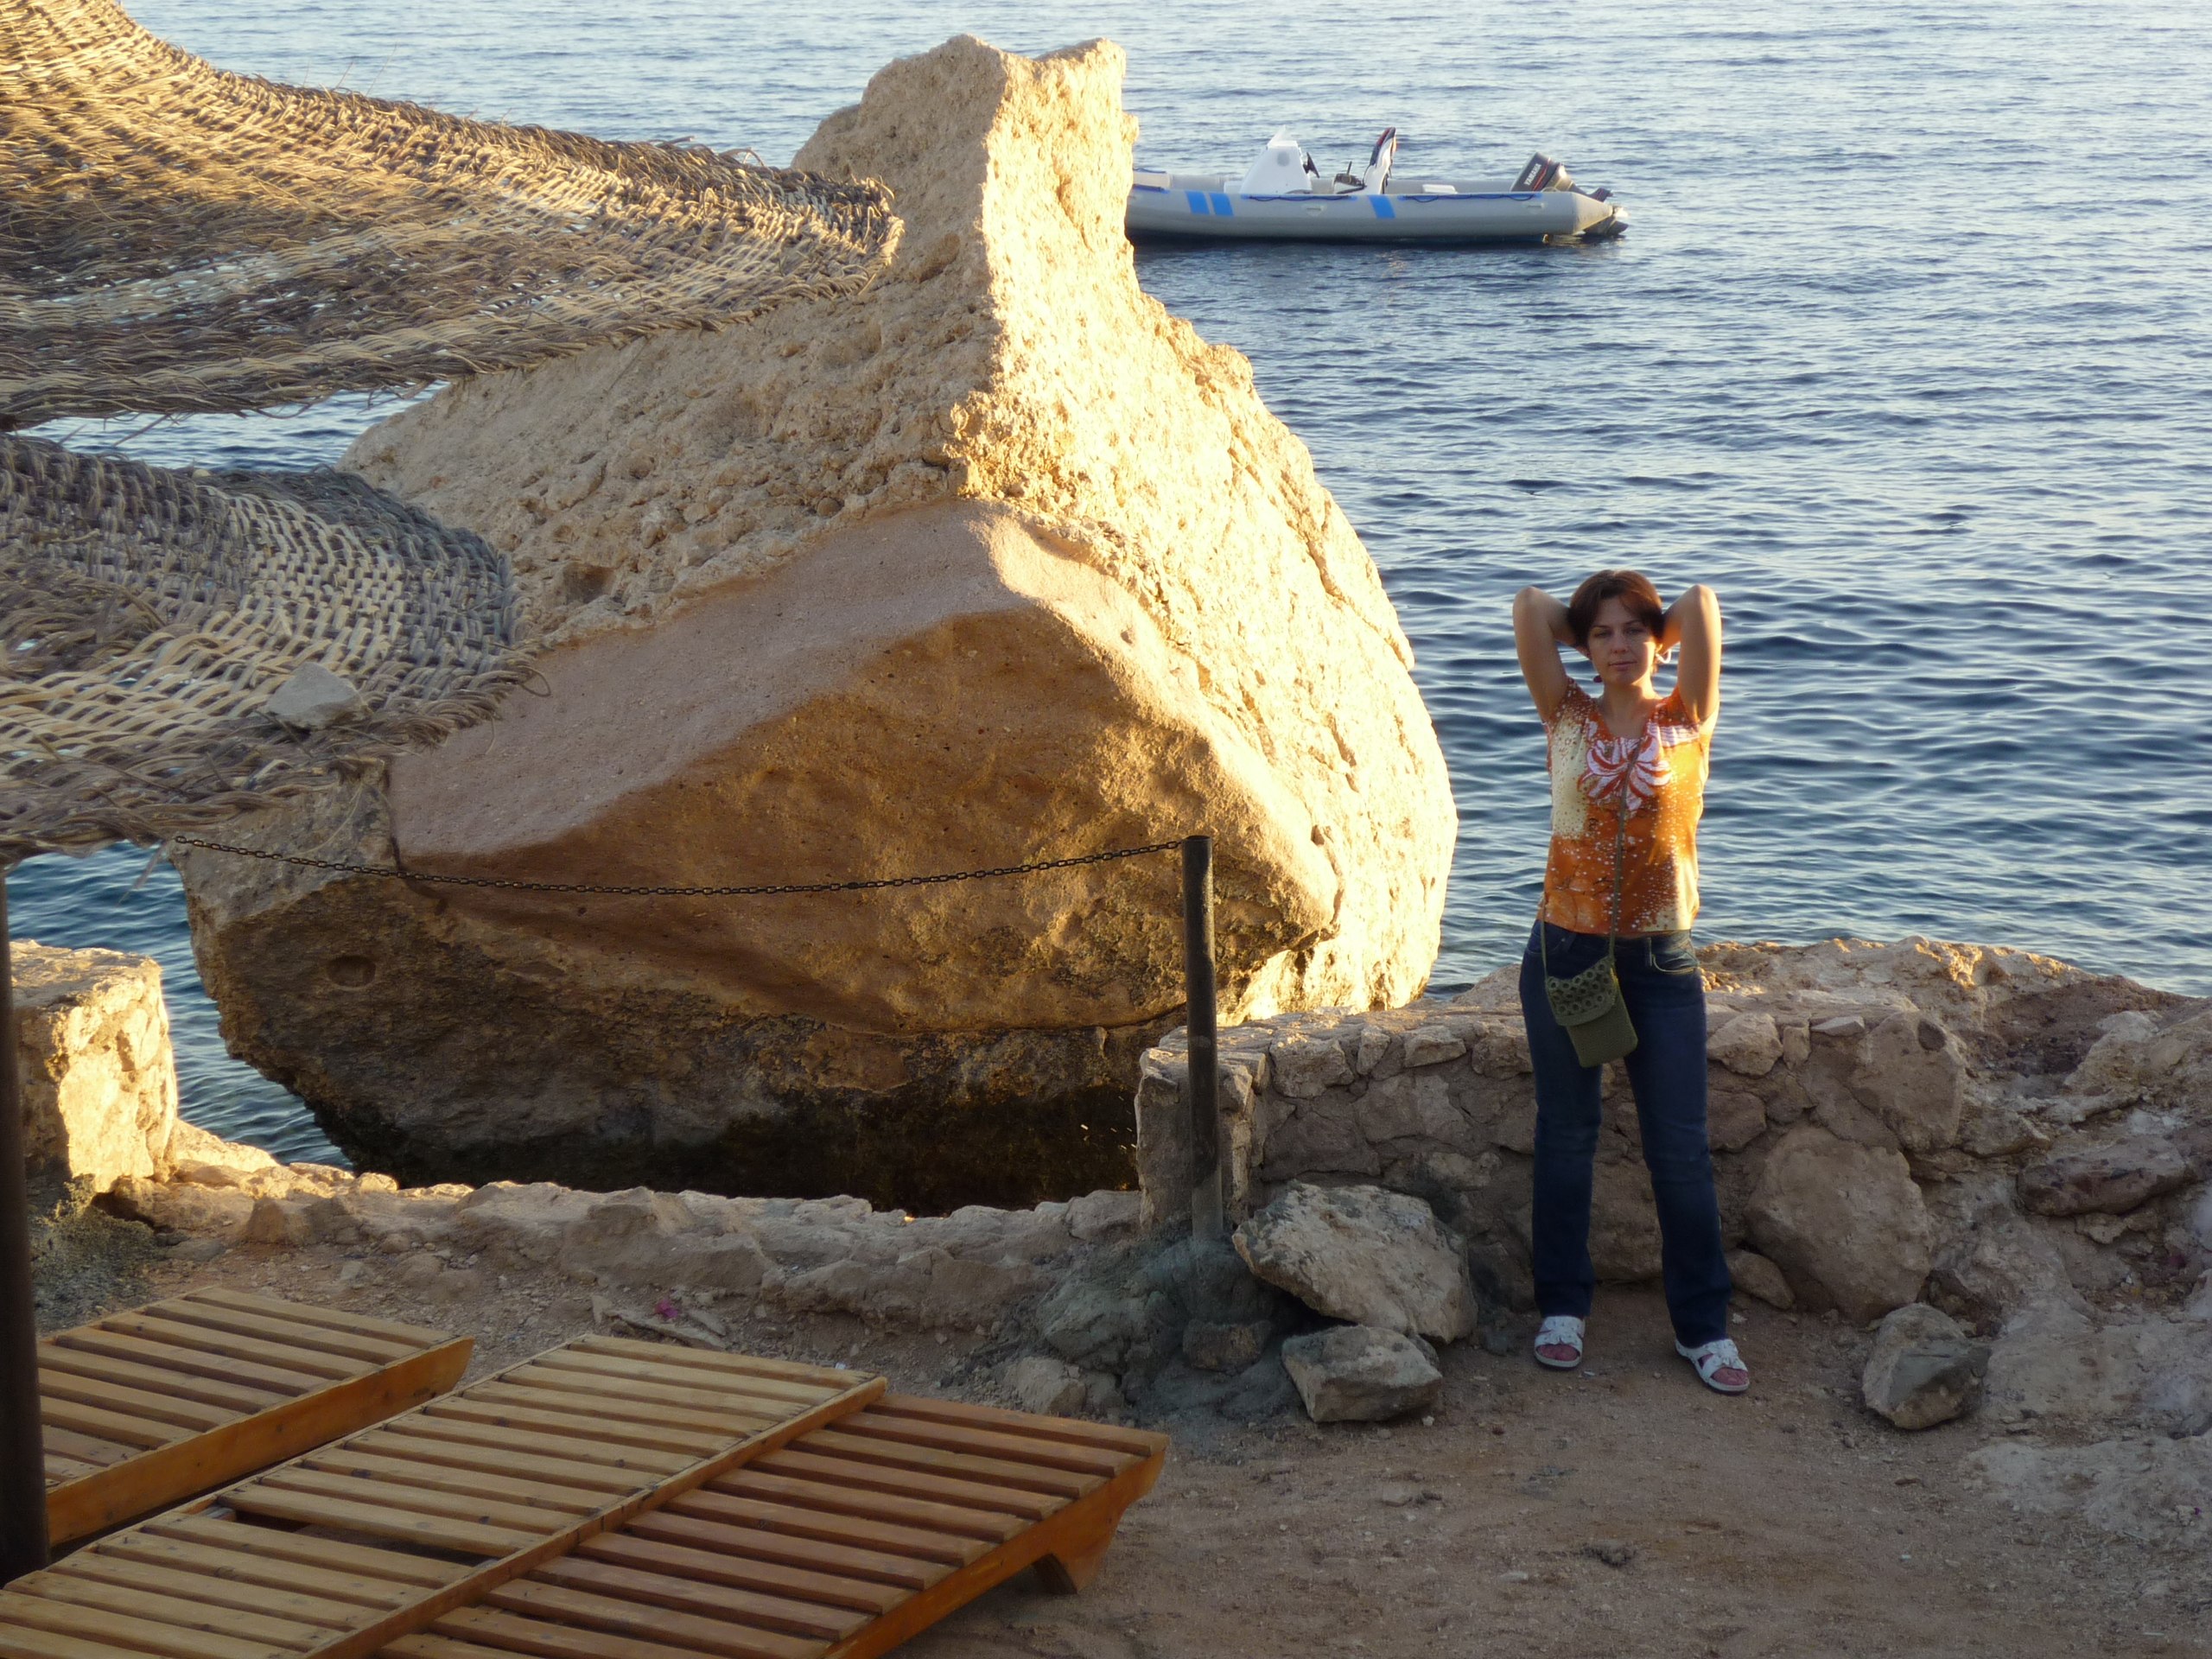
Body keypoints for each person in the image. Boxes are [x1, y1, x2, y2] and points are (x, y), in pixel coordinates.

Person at [1510, 570, 1747, 1394]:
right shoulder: (1564, 715)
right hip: (1566, 952)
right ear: (1583, 645)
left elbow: (1702, 602)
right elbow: (1531, 606)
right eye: (1602, 635)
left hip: (1661, 962)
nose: (1619, 647)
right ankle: (1562, 1309)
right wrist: (1587, 625)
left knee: (1679, 1149)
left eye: (1634, 632)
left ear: (1658, 641)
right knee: (1565, 1136)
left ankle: (1703, 1327)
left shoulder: (1689, 718)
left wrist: (1658, 632)